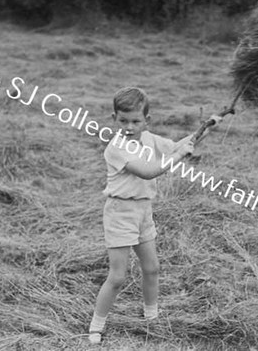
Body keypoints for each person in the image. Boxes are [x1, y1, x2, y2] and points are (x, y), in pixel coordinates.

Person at [88, 87, 195, 344]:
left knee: (152, 268)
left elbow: (178, 145)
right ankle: (96, 325)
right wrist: (179, 156)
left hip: (143, 210)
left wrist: (208, 126)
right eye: (123, 120)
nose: (129, 126)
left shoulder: (150, 139)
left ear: (147, 120)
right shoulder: (116, 147)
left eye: (136, 121)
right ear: (114, 118)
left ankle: (151, 317)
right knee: (118, 276)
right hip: (120, 212)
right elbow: (147, 171)